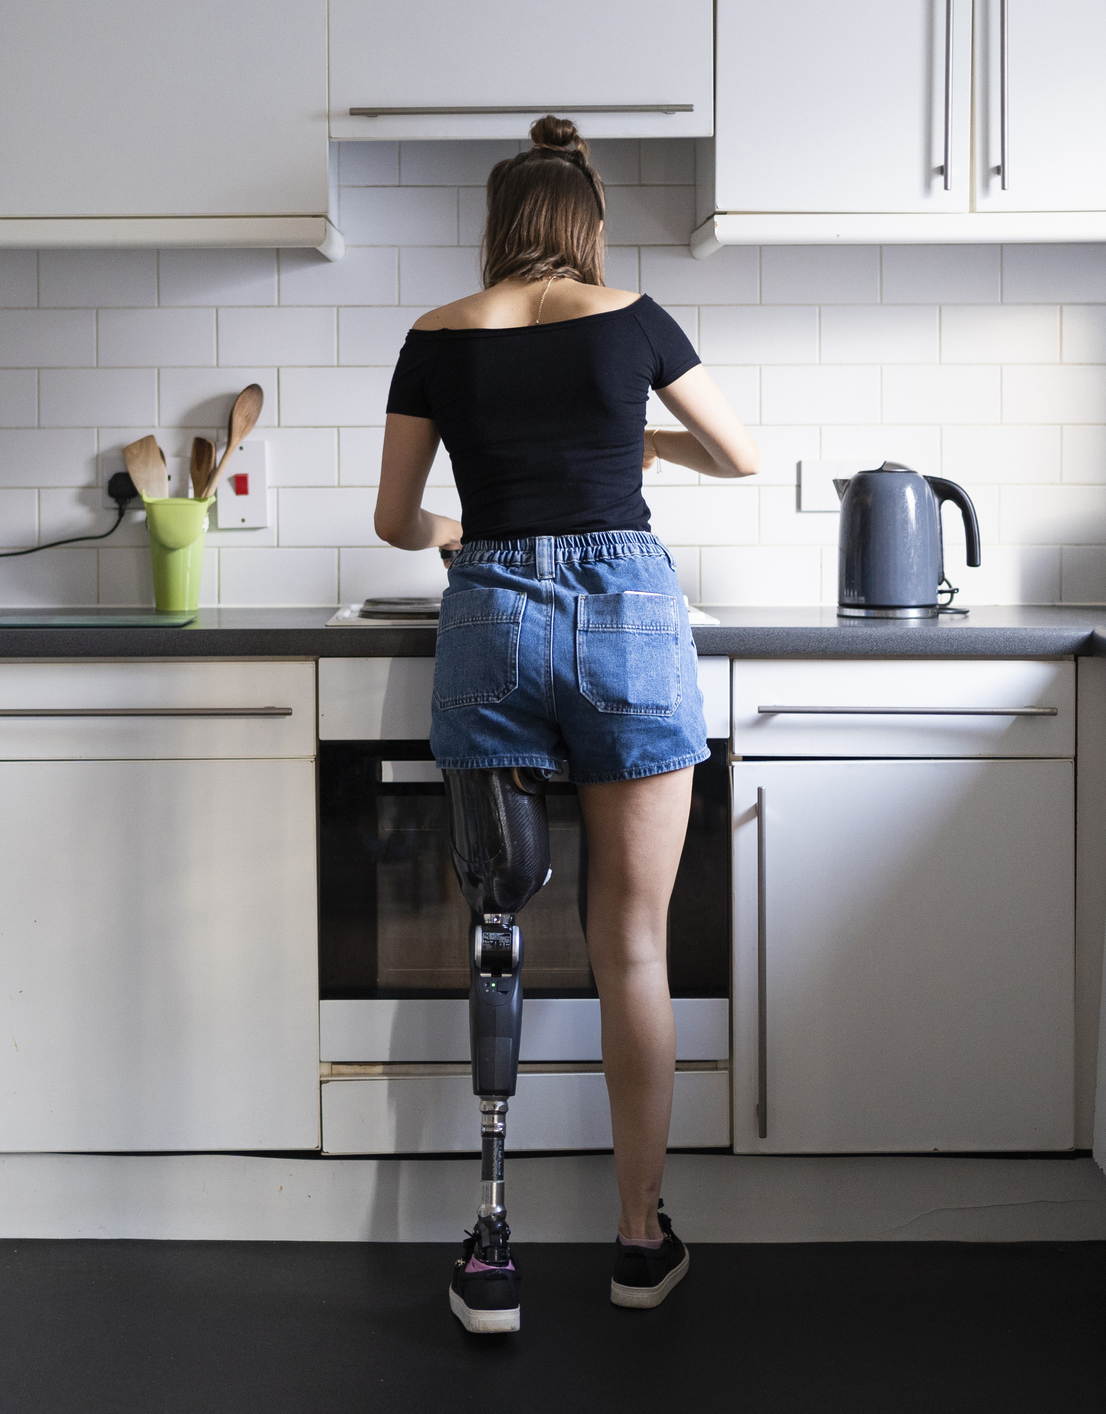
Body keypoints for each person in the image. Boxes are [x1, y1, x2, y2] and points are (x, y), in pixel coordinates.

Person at [372, 115, 760, 1328]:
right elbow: (739, 456)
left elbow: (396, 519)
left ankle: (491, 1238)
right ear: (587, 227)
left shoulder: (436, 333)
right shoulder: (637, 317)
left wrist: (470, 534)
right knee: (630, 947)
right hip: (632, 623)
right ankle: (638, 1240)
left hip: (493, 624)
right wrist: (627, 437)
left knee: (498, 930)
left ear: (499, 227)